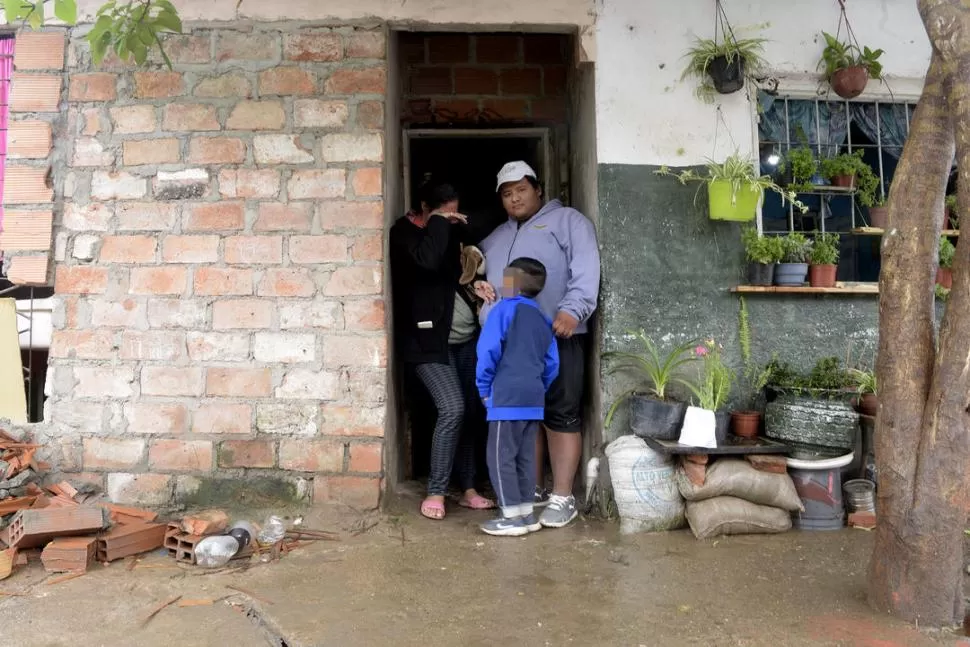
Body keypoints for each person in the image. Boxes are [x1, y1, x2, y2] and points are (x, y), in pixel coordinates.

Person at [477, 161, 601, 529]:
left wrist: (572, 311)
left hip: (559, 335)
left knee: (561, 415)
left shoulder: (568, 221)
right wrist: (477, 287)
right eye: (507, 193)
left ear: (538, 190)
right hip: (511, 349)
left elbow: (586, 268)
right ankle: (531, 489)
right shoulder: (496, 237)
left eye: (521, 189)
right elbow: (477, 271)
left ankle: (562, 496)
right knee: (525, 417)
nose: (514, 198)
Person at [390, 180, 494, 520]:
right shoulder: (404, 234)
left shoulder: (446, 232)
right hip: (425, 344)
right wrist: (437, 221)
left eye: (454, 212)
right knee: (452, 408)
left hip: (463, 340)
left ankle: (467, 488)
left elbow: (449, 275)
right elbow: (427, 262)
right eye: (445, 213)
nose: (453, 219)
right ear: (425, 207)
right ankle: (436, 490)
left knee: (470, 412)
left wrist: (474, 283)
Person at [476, 258, 559, 536]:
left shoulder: (501, 311)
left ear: (511, 282)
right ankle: (526, 514)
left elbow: (488, 352)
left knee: (500, 457)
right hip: (533, 398)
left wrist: (484, 388)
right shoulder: (543, 318)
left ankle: (510, 517)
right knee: (525, 457)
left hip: (507, 398)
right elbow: (552, 364)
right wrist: (537, 387)